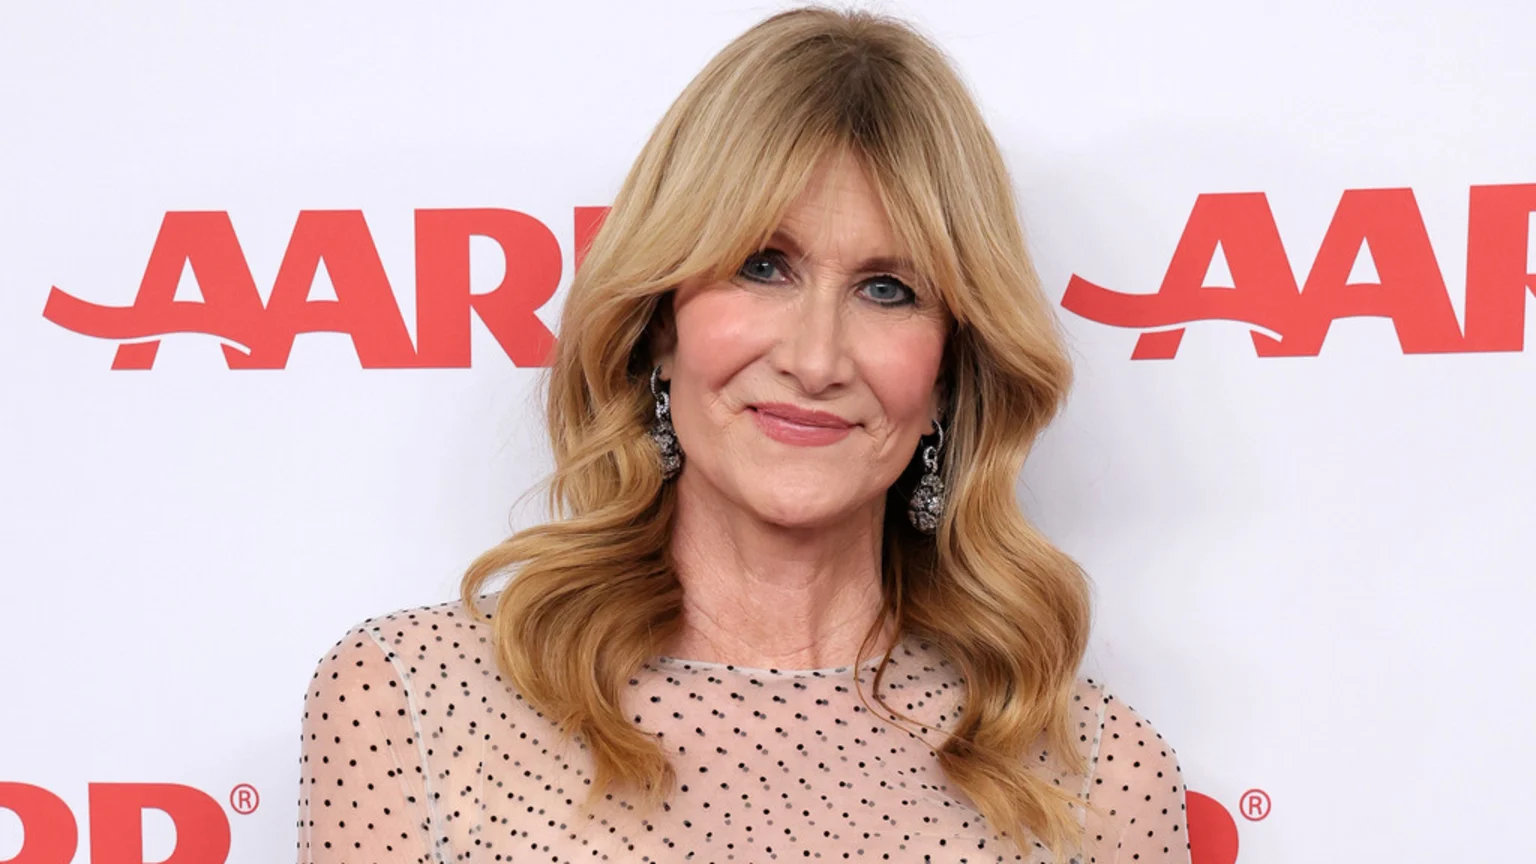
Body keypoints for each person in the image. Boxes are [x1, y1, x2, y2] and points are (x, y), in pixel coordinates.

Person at [296, 7, 1190, 863]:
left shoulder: (1097, 774)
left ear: (951, 373)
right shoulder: (416, 702)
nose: (815, 358)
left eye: (889, 290)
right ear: (658, 325)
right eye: (763, 267)